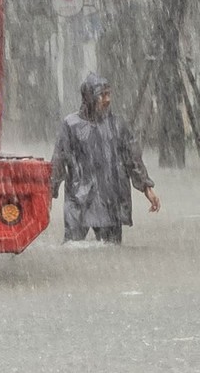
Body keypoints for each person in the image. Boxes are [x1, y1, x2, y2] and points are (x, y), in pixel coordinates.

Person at [49, 72, 159, 244]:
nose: (107, 99)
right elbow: (58, 161)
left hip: (110, 200)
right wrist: (48, 192)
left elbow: (133, 159)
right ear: (89, 97)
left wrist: (147, 188)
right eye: (102, 95)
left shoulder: (118, 125)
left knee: (111, 248)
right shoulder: (71, 125)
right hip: (79, 200)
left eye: (109, 94)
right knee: (72, 246)